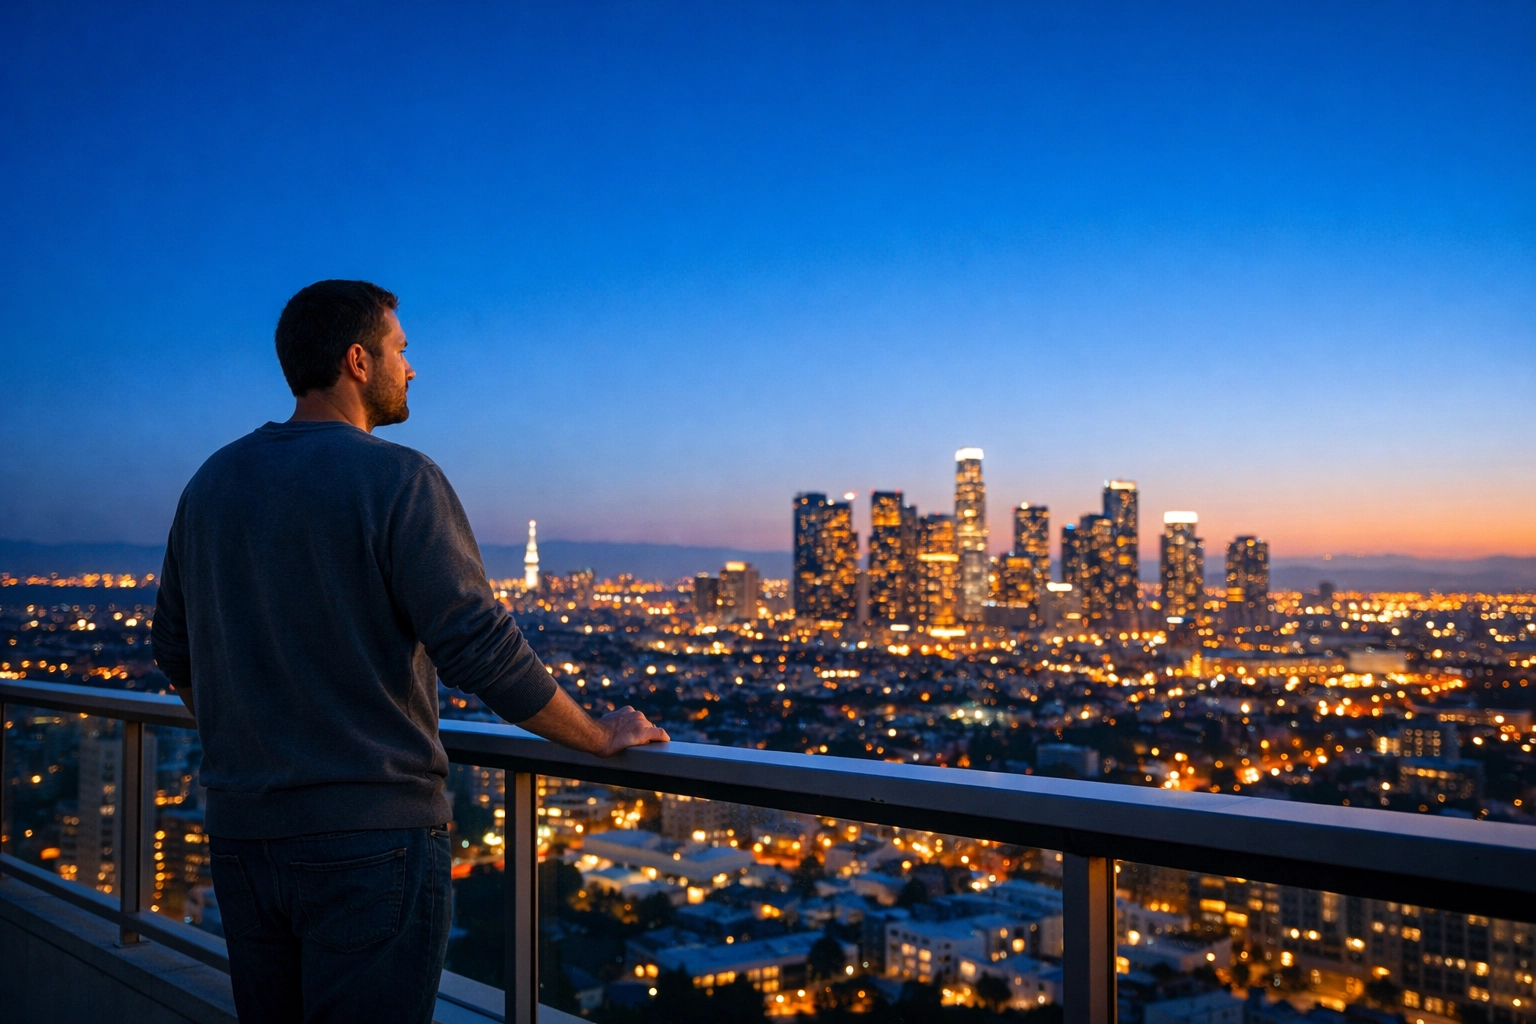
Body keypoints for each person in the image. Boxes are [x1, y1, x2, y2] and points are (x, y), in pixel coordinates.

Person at [151, 279, 668, 1023]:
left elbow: (173, 644)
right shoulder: (398, 479)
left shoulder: (212, 483)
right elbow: (478, 645)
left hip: (243, 834)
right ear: (358, 361)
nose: (412, 368)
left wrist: (245, 736)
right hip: (370, 842)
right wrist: (595, 733)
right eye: (401, 349)